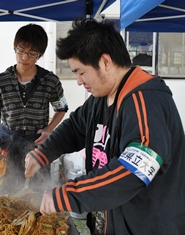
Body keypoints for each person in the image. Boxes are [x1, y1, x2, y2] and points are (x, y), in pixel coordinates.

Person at [24, 18, 185, 235]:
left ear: (105, 62)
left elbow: (133, 171)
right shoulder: (101, 97)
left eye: (81, 72)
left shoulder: (145, 100)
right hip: (111, 220)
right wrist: (42, 154)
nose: (79, 81)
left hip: (145, 225)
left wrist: (67, 195)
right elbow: (74, 127)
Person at [0, 23, 68, 190]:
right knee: (5, 189)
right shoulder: (0, 82)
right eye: (21, 51)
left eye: (32, 54)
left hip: (36, 142)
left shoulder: (50, 81)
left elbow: (61, 109)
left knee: (38, 188)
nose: (25, 57)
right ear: (14, 47)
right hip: (7, 142)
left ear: (40, 55)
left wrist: (49, 130)